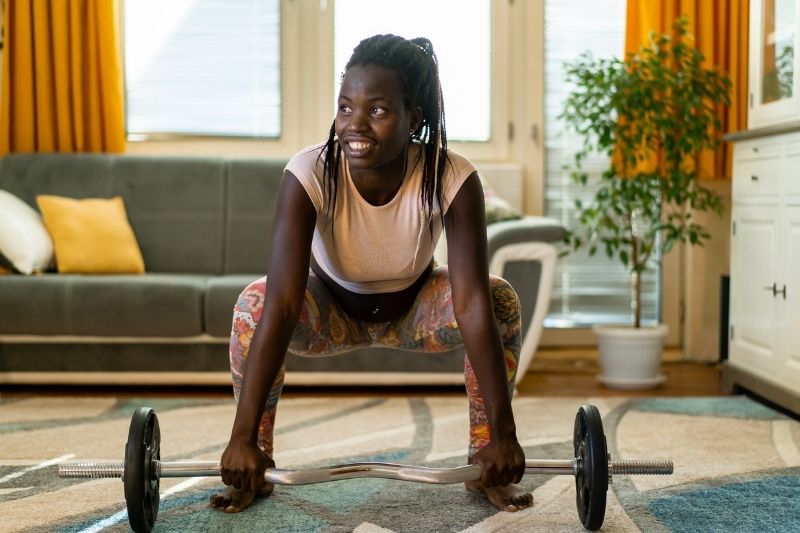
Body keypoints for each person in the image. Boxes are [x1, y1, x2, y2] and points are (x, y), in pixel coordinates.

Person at [209, 34, 533, 515]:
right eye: (346, 107)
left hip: (413, 314)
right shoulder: (309, 171)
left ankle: (487, 462)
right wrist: (239, 439)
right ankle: (253, 462)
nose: (355, 124)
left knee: (498, 296)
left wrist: (505, 435)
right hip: (332, 315)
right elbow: (283, 302)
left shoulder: (451, 174)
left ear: (413, 119)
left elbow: (469, 301)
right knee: (254, 304)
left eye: (377, 110)